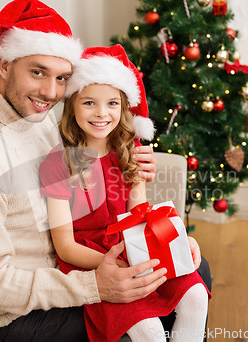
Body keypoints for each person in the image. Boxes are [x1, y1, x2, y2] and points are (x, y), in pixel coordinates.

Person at [0, 1, 211, 341]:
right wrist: (97, 285)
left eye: (62, 78)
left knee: (194, 271)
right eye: (38, 72)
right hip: (21, 315)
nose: (51, 92)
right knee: (147, 323)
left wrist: (156, 233)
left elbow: (87, 175)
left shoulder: (31, 113)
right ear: (4, 64)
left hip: (78, 264)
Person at [39, 45, 210, 342]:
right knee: (149, 331)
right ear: (72, 105)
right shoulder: (58, 163)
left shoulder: (127, 152)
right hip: (91, 259)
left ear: (123, 107)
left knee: (196, 296)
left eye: (112, 104)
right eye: (89, 103)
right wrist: (117, 266)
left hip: (133, 246)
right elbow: (65, 246)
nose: (102, 113)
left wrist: (176, 240)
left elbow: (139, 214)